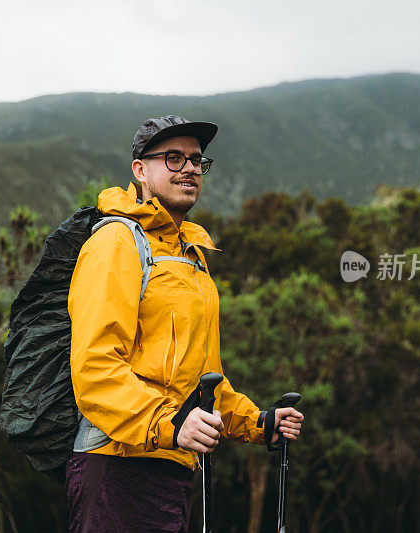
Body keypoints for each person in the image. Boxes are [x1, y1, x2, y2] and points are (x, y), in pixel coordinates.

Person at [65, 115, 304, 532]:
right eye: (173, 158)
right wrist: (170, 424)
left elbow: (204, 382)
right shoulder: (115, 244)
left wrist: (259, 424)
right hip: (116, 467)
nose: (190, 168)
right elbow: (95, 369)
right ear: (140, 170)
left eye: (196, 160)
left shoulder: (193, 259)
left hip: (174, 470)